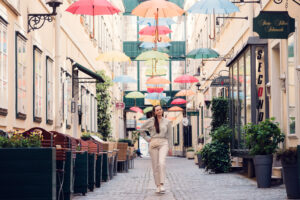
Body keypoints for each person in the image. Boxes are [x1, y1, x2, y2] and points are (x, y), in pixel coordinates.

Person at [139, 105, 172, 194]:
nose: (159, 111)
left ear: (162, 110)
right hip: (153, 143)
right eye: (157, 110)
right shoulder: (150, 121)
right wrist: (147, 138)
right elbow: (141, 129)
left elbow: (169, 135)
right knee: (155, 165)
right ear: (154, 112)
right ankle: (157, 185)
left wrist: (170, 147)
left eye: (160, 109)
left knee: (161, 163)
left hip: (164, 142)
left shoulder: (167, 122)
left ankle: (162, 184)